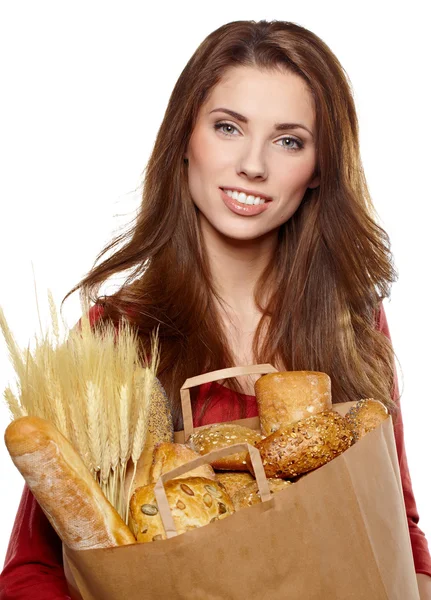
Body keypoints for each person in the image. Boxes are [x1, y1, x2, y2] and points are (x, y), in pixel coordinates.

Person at [1, 19, 430, 599]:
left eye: (288, 140)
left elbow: (398, 534)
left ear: (319, 167)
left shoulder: (351, 321)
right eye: (228, 127)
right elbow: (35, 569)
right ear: (185, 138)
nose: (253, 165)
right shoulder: (113, 339)